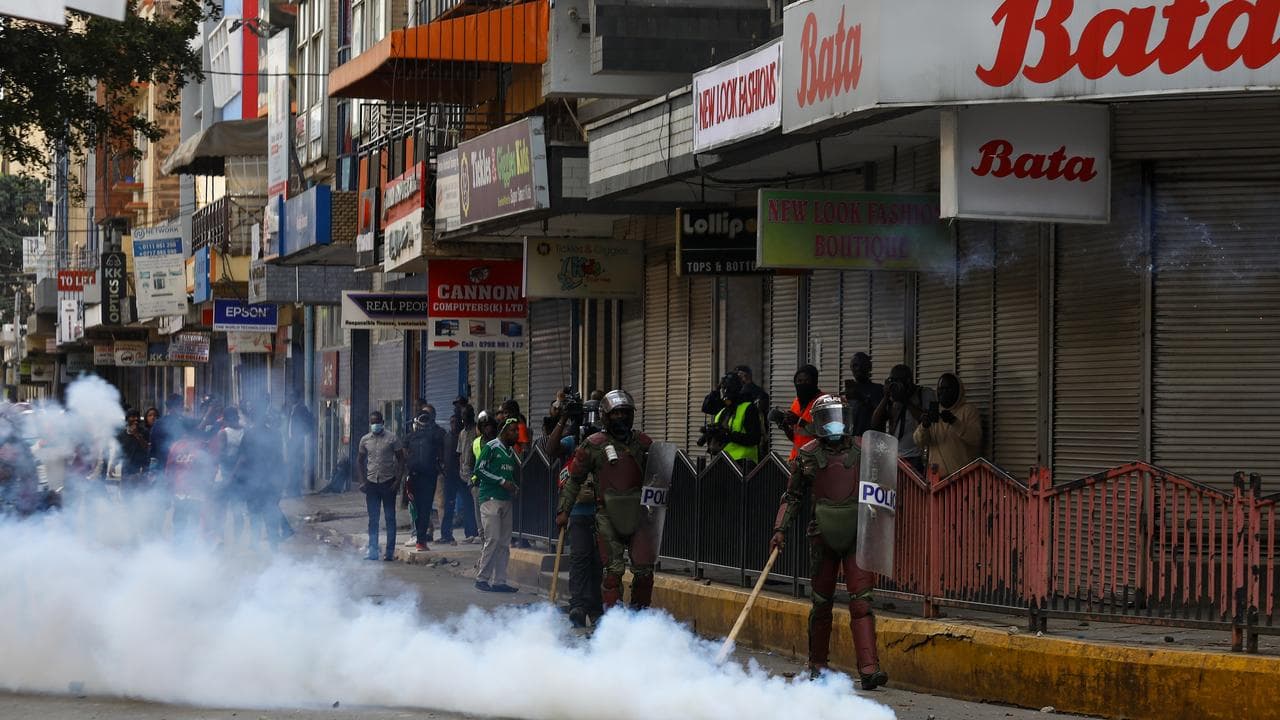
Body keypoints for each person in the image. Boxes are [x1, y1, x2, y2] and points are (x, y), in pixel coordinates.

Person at [770, 394, 888, 690]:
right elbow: (793, 496)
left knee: (862, 604)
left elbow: (885, 488)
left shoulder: (866, 450)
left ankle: (869, 668)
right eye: (829, 419)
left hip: (856, 536)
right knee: (821, 604)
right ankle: (818, 666)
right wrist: (780, 529)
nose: (835, 425)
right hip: (822, 535)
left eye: (839, 418)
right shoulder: (807, 455)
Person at [556, 389, 656, 611]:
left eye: (625, 413)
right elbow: (574, 480)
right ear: (605, 416)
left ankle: (641, 620)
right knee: (613, 572)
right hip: (607, 516)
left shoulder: (643, 443)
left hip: (638, 513)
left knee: (644, 571)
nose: (621, 418)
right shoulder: (593, 445)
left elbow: (660, 475)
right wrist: (564, 510)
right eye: (615, 414)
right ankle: (613, 622)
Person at [474, 418, 521, 593]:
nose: (516, 434)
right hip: (490, 499)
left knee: (504, 542)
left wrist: (513, 486)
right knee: (493, 539)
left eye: (517, 430)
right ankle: (482, 578)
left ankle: (500, 581)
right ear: (503, 431)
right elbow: (479, 470)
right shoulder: (491, 447)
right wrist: (501, 481)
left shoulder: (510, 452)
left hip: (506, 500)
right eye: (513, 430)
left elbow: (508, 475)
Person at [357, 411, 406, 561]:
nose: (375, 425)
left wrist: (398, 482)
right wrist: (362, 481)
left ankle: (389, 552)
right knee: (373, 519)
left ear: (383, 422)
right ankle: (373, 550)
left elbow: (401, 460)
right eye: (372, 422)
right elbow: (359, 461)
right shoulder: (365, 440)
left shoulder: (392, 438)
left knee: (390, 518)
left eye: (377, 422)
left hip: (388, 482)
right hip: (372, 483)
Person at [912, 372, 982, 477]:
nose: (943, 392)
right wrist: (924, 426)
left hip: (961, 478)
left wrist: (954, 422)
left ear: (958, 391)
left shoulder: (968, 411)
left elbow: (975, 438)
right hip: (936, 478)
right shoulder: (935, 412)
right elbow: (919, 441)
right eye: (940, 389)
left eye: (947, 389)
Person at [871, 364, 936, 473]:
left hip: (916, 457)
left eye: (899, 381)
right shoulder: (892, 398)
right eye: (893, 381)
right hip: (893, 457)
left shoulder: (924, 393)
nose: (896, 385)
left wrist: (905, 400)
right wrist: (886, 396)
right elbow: (874, 423)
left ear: (909, 381)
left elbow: (928, 420)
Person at [404, 405, 445, 551]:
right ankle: (420, 539)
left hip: (418, 476)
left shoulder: (412, 436)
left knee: (419, 508)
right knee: (422, 508)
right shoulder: (434, 435)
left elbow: (404, 456)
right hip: (425, 477)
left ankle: (420, 539)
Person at [703, 372, 763, 468]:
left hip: (743, 464)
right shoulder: (723, 410)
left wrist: (729, 436)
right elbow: (707, 407)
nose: (725, 392)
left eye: (727, 388)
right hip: (722, 461)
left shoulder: (748, 408)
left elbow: (755, 438)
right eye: (723, 388)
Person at [439, 411, 479, 545]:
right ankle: (446, 534)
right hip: (450, 477)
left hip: (463, 476)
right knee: (448, 506)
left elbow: (462, 456)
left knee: (468, 505)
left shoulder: (465, 434)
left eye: (456, 422)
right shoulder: (448, 436)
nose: (453, 424)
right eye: (451, 422)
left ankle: (471, 533)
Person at [769, 365, 823, 461]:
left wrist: (799, 421)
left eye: (807, 381)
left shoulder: (823, 402)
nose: (803, 384)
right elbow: (796, 438)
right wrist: (785, 426)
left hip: (816, 462)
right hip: (797, 461)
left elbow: (826, 435)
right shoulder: (797, 402)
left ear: (815, 382)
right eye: (799, 381)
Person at [841, 352, 884, 440]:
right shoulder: (849, 391)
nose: (858, 369)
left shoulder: (878, 389)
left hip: (872, 442)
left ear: (869, 367)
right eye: (854, 365)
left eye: (862, 365)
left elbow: (880, 417)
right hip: (852, 442)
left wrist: (862, 399)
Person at [116, 409, 151, 490]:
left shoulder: (144, 432)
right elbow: (119, 450)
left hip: (141, 469)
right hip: (126, 469)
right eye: (133, 416)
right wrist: (114, 464)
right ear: (127, 419)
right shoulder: (122, 434)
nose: (136, 419)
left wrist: (137, 435)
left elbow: (147, 448)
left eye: (137, 417)